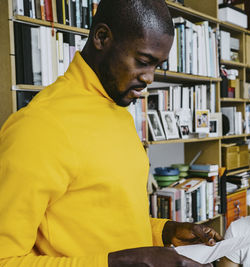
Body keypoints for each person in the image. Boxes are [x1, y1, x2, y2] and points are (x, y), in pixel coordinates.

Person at [0, 0, 222, 266]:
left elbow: (105, 219)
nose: (150, 78)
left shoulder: (118, 110)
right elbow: (6, 258)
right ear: (102, 37)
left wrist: (164, 232)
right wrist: (120, 263)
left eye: (157, 65)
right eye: (143, 61)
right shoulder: (39, 126)